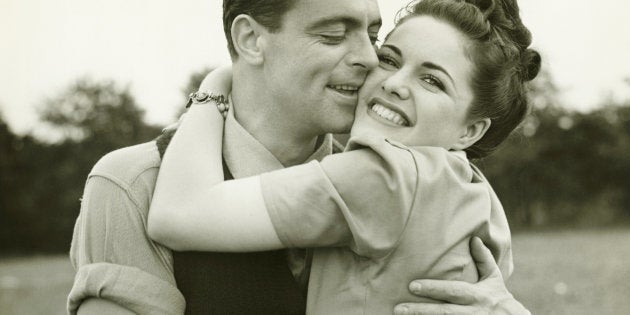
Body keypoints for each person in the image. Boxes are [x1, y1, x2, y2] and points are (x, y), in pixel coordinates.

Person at [68, 0, 529, 313]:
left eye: (373, 36)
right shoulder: (132, 184)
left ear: (472, 129)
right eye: (334, 35)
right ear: (250, 40)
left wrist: (212, 90)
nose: (370, 61)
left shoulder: (383, 176)